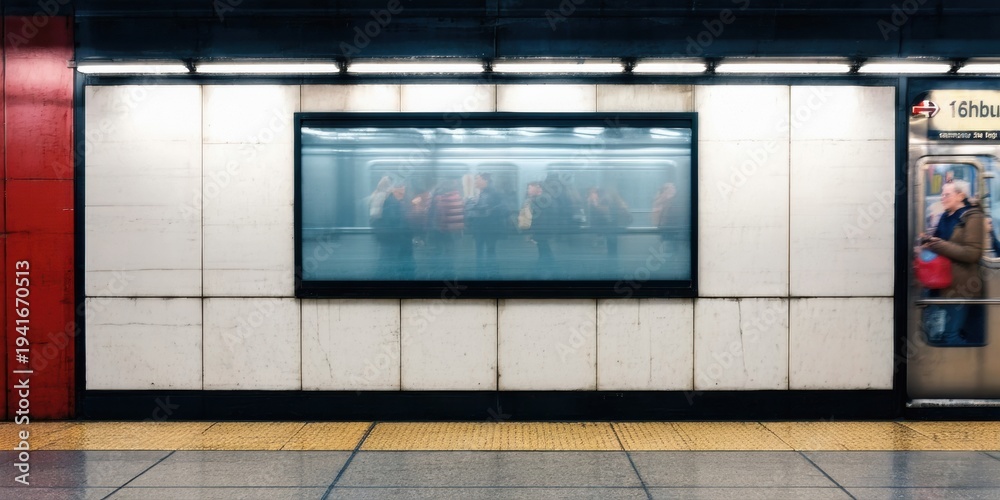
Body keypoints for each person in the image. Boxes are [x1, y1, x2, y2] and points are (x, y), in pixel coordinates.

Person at [921, 180, 984, 346]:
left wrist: (937, 244)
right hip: (938, 284)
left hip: (959, 288)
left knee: (951, 335)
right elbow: (937, 243)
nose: (942, 198)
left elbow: (972, 254)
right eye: (942, 194)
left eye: (946, 194)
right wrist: (926, 242)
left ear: (960, 196)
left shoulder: (973, 217)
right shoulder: (944, 216)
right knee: (935, 335)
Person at [464, 173, 505, 277]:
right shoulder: (481, 192)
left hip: (489, 227)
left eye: (478, 179)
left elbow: (485, 210)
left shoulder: (492, 193)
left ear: (485, 180)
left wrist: (471, 206)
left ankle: (490, 273)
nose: (476, 182)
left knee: (488, 251)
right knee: (482, 251)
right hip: (481, 228)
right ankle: (483, 272)